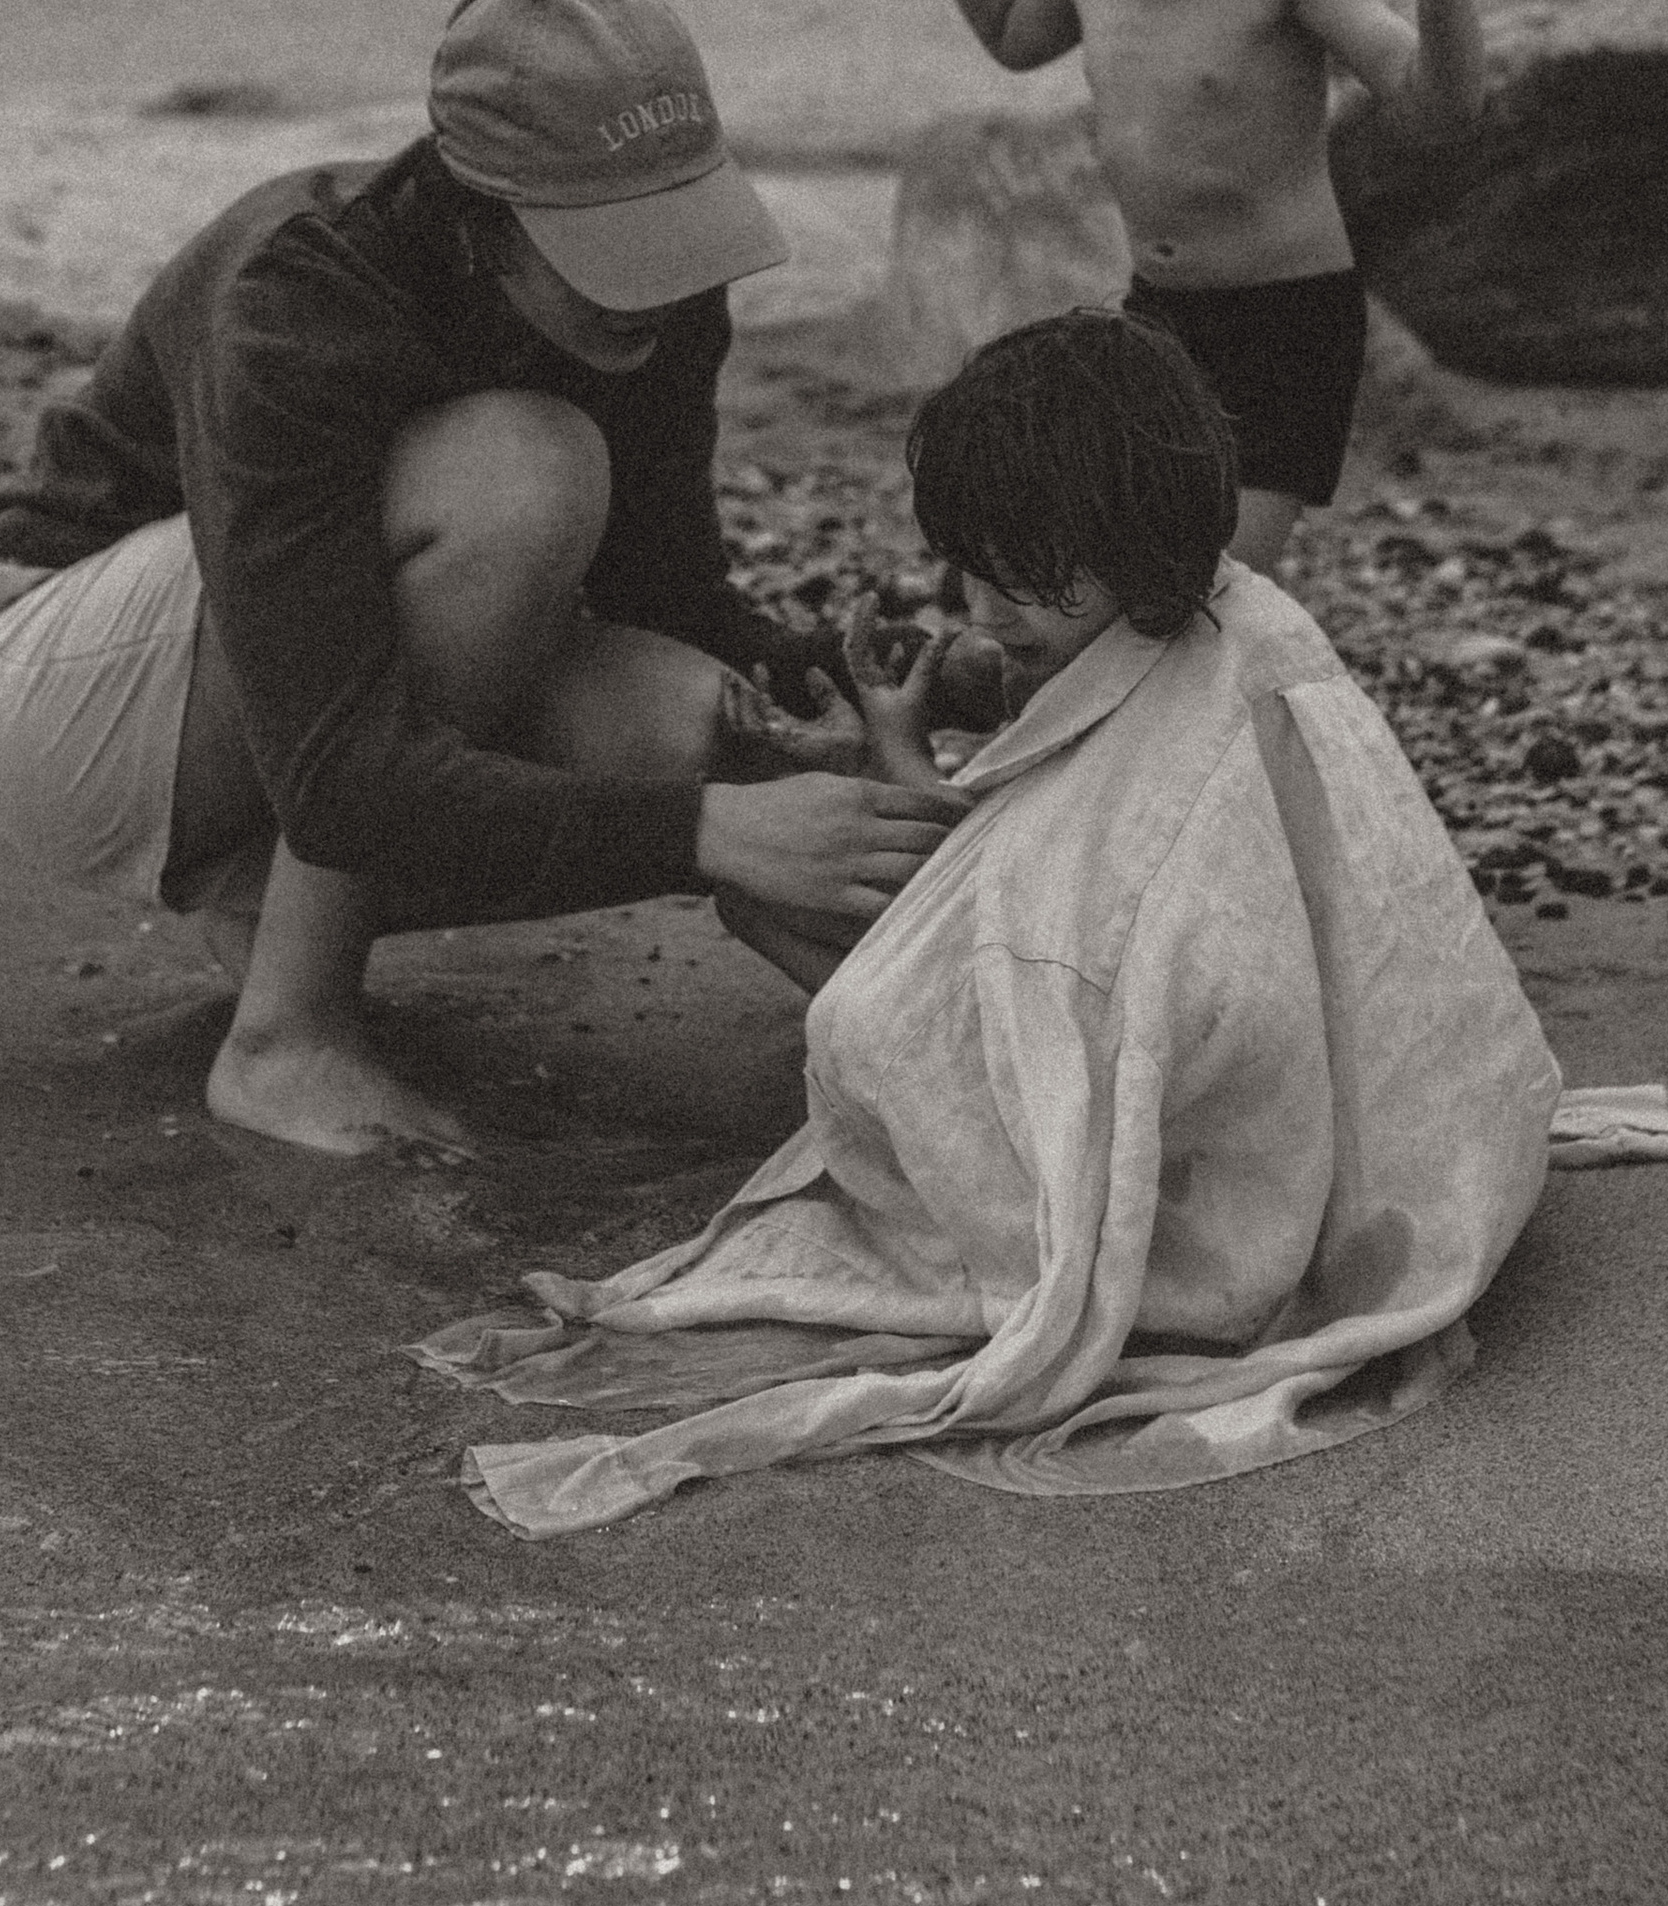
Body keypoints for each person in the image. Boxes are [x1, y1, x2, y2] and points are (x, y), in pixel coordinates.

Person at [421, 310, 1561, 1533]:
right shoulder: (1232, 616)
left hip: (1212, 1140)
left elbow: (1041, 924)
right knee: (813, 898)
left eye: (1013, 575)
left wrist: (887, 825)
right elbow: (1021, 866)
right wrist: (900, 743)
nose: (976, 607)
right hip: (1290, 1072)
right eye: (965, 568)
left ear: (1114, 543)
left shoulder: (1174, 741)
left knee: (838, 976)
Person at [0, 0, 964, 1160]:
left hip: (262, 699)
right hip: (54, 680)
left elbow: (664, 597)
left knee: (702, 730)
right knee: (532, 473)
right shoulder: (300, 295)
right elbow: (340, 783)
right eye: (609, 242)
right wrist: (708, 837)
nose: (658, 283)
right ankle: (286, 1035)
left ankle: (263, 909)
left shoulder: (664, 292)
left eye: (671, 225)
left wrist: (839, 690)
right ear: (480, 211)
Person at [818, 0, 1495, 574]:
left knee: (1216, 584)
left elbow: (1437, 111)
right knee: (1119, 566)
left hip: (1283, 326)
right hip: (1155, 316)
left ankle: (1249, 708)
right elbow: (1013, 35)